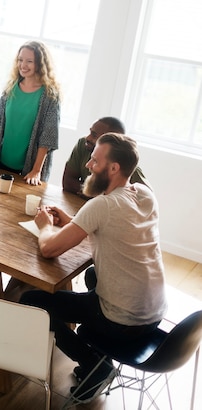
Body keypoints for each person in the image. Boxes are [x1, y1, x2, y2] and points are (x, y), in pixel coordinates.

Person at [19, 133, 167, 402]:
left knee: (31, 299)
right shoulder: (145, 195)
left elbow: (49, 249)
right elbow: (116, 226)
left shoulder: (103, 205)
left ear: (114, 168)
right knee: (91, 274)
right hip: (154, 315)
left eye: (95, 161)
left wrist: (45, 227)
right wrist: (76, 221)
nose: (88, 165)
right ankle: (98, 357)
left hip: (122, 322)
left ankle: (94, 365)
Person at [0, 41, 60, 185]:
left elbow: (48, 136)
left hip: (29, 170)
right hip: (2, 162)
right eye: (20, 60)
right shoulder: (10, 88)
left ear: (40, 64)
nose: (23, 65)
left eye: (29, 61)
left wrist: (36, 170)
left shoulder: (50, 96)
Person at [63, 116, 151, 198]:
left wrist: (104, 199)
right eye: (90, 132)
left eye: (94, 135)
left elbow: (146, 198)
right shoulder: (83, 144)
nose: (88, 138)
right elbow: (67, 182)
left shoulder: (126, 165)